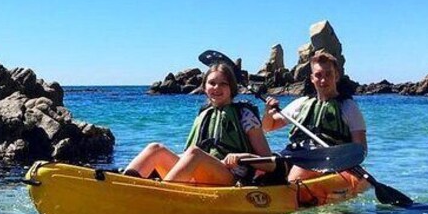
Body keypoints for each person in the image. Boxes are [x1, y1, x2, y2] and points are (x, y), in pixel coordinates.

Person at [124, 62, 275, 185]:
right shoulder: (204, 115)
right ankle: (125, 186)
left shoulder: (245, 115)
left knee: (194, 152)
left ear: (232, 88)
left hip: (229, 177)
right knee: (155, 148)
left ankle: (164, 195)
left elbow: (270, 164)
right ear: (204, 88)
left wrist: (242, 156)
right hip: (198, 173)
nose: (216, 88)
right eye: (212, 83)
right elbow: (189, 156)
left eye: (223, 84)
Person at [261, 50, 367, 181]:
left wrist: (345, 164)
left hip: (328, 160)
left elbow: (360, 148)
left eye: (328, 74)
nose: (323, 79)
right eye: (318, 75)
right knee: (260, 167)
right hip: (296, 155)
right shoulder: (301, 103)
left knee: (298, 173)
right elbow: (268, 127)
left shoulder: (348, 107)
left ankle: (289, 188)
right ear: (312, 78)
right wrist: (267, 113)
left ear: (337, 76)